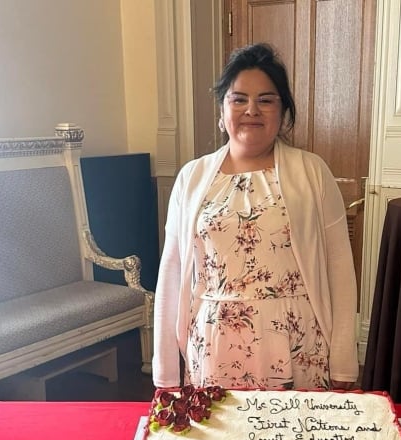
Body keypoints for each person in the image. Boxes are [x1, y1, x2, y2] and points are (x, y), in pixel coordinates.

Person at [152, 43, 358, 391]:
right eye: (238, 99)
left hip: (297, 343)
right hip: (214, 346)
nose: (252, 109)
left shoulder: (312, 172)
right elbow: (171, 272)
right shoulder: (192, 177)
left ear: (283, 111)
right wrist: (166, 372)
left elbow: (340, 268)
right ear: (222, 110)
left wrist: (344, 364)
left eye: (266, 99)